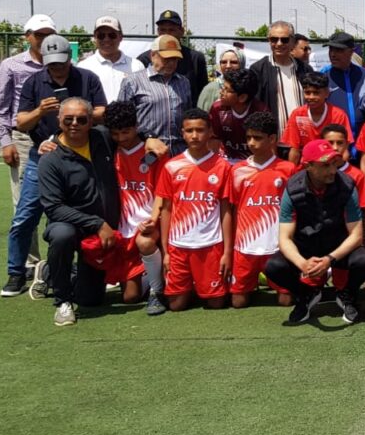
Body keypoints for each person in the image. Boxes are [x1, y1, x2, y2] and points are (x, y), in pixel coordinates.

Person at [5, 34, 109, 298]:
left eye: (61, 62)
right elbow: (21, 122)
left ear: (69, 59)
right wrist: (40, 111)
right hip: (44, 153)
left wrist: (75, 110)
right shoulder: (34, 82)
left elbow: (102, 112)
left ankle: (66, 271)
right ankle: (16, 272)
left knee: (84, 211)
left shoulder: (87, 78)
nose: (57, 68)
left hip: (80, 155)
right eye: (52, 64)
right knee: (25, 216)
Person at [36, 97, 121, 326]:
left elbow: (129, 134)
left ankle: (49, 272)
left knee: (90, 299)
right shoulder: (50, 158)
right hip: (69, 224)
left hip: (99, 229)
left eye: (81, 119)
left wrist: (149, 138)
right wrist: (97, 223)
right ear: (59, 120)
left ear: (91, 122)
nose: (75, 123)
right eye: (68, 119)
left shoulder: (102, 137)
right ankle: (62, 301)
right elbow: (53, 207)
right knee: (62, 236)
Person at [267, 138, 365, 326]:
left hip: (338, 246)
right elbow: (284, 238)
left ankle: (347, 294)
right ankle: (305, 295)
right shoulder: (292, 188)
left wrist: (329, 259)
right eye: (325, 165)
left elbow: (357, 236)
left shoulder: (347, 185)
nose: (333, 170)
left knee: (364, 260)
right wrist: (303, 264)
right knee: (273, 267)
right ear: (308, 166)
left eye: (334, 163)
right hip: (307, 246)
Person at [0, 13, 56, 290]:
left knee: (56, 201)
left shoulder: (63, 63)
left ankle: (54, 264)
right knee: (24, 205)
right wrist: (5, 141)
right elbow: (1, 108)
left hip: (57, 138)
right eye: (38, 35)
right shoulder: (12, 65)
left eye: (48, 35)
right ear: (27, 36)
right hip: (23, 138)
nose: (43, 40)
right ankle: (29, 265)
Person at [155, 109, 234, 311]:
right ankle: (188, 284)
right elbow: (166, 210)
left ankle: (201, 283)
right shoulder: (171, 166)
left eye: (200, 130)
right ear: (182, 133)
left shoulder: (223, 166)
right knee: (176, 305)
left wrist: (227, 252)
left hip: (211, 245)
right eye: (189, 130)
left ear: (210, 132)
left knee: (216, 303)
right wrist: (166, 252)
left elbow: (226, 211)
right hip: (179, 245)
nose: (194, 135)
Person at [102, 101, 167, 313]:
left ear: (136, 127)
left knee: (145, 242)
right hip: (124, 232)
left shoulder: (153, 153)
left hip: (151, 224)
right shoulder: (109, 151)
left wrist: (153, 220)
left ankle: (157, 292)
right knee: (130, 297)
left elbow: (163, 193)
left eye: (126, 132)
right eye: (115, 133)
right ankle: (153, 273)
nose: (121, 138)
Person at [228, 111, 297, 308]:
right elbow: (233, 208)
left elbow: (295, 209)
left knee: (286, 301)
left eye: (257, 138)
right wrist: (232, 244)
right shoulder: (237, 170)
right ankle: (254, 281)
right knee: (238, 302)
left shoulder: (287, 169)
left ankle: (270, 278)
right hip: (246, 246)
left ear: (272, 139)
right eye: (248, 137)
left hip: (277, 245)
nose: (251, 143)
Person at [118, 35, 193, 153]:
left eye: (175, 59)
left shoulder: (183, 82)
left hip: (179, 151)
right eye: (166, 58)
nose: (171, 63)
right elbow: (123, 118)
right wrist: (147, 136)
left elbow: (187, 114)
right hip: (146, 150)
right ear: (153, 55)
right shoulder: (133, 82)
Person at [249, 21, 311, 143]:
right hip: (272, 142)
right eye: (274, 39)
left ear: (292, 41)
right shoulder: (258, 70)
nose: (279, 43)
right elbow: (255, 108)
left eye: (284, 40)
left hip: (302, 140)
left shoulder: (305, 69)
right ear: (269, 40)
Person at [136, 9, 209, 104]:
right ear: (158, 31)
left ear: (181, 31)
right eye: (162, 30)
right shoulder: (144, 59)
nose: (166, 34)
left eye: (171, 30)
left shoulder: (195, 58)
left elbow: (202, 93)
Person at [282, 71, 354, 164]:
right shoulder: (297, 114)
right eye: (307, 92)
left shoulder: (339, 115)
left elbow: (344, 150)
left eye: (316, 93)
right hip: (307, 165)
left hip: (331, 164)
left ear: (327, 93)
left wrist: (339, 170)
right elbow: (294, 149)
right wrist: (291, 171)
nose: (311, 97)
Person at [79, 15, 143, 105]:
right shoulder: (84, 67)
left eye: (112, 35)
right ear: (95, 38)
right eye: (101, 35)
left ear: (120, 37)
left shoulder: (136, 66)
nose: (106, 39)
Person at [208, 68, 268, 162]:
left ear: (242, 97)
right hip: (226, 159)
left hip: (253, 162)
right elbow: (214, 139)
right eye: (223, 87)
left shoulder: (261, 111)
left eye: (227, 90)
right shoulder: (217, 109)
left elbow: (268, 145)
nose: (221, 92)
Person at [322, 32, 365, 134]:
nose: (333, 54)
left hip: (361, 139)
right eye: (331, 49)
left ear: (351, 52)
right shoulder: (323, 77)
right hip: (334, 138)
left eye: (338, 50)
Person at [197, 47, 245, 111]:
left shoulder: (247, 88)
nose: (228, 66)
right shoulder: (211, 89)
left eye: (233, 62)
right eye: (224, 62)